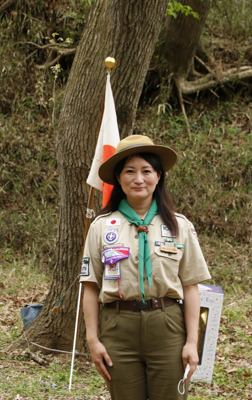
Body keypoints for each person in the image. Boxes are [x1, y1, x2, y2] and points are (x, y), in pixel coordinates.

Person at [80, 135, 211, 400]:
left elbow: (191, 286)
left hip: (168, 327)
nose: (138, 179)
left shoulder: (179, 226)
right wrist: (93, 340)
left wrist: (192, 342)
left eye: (146, 171)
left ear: (159, 176)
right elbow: (90, 287)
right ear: (118, 178)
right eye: (130, 171)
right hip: (118, 329)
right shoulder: (102, 227)